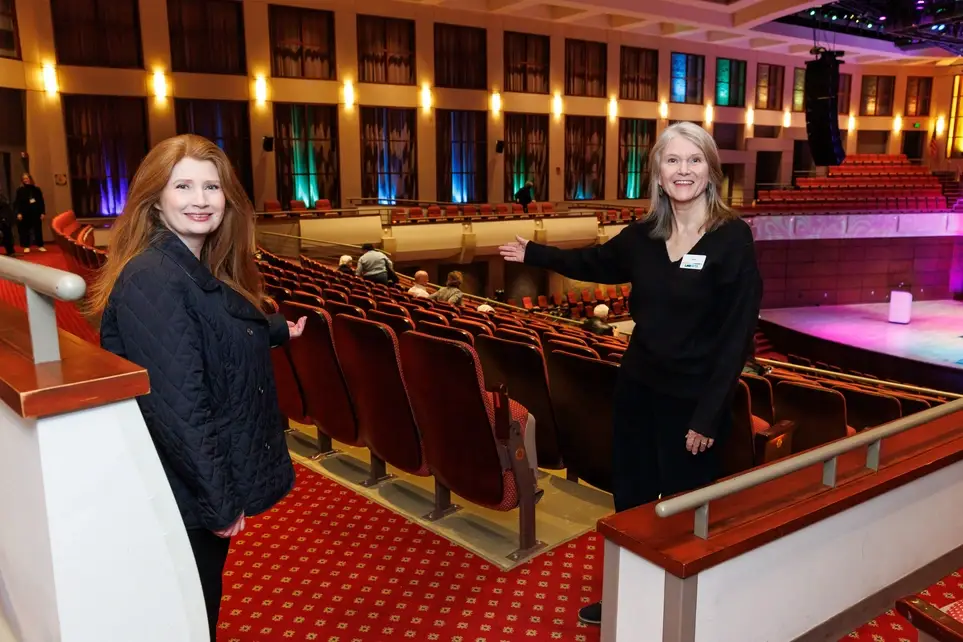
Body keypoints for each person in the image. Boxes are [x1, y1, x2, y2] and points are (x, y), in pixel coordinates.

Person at [499, 122, 762, 626]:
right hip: (638, 390)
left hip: (694, 406)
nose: (682, 170)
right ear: (658, 175)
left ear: (710, 170)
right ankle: (628, 594)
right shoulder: (644, 236)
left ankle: (682, 611)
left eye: (694, 160)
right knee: (632, 503)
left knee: (684, 514)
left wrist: (707, 417)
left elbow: (736, 339)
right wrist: (534, 252)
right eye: (672, 161)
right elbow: (594, 261)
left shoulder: (733, 240)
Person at [90, 134, 307, 640]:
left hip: (192, 485)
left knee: (197, 604)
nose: (200, 199)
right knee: (191, 614)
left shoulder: (190, 264)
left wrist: (275, 329)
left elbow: (216, 321)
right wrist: (217, 501)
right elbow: (178, 406)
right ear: (155, 197)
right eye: (183, 185)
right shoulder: (154, 277)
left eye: (211, 186)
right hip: (185, 493)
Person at [14, 173, 46, 253]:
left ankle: (40, 245)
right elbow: (17, 203)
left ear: (30, 179)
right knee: (25, 230)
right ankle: (26, 246)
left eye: (27, 178)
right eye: (24, 179)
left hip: (36, 212)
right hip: (25, 213)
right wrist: (18, 213)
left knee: (38, 229)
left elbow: (41, 202)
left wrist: (42, 213)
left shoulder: (36, 189)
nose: (26, 180)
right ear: (22, 180)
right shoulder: (20, 190)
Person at [0, 190, 14, 256]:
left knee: (8, 235)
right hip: (2, 218)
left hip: (6, 218)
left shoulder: (2, 195)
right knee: (6, 235)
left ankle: (10, 251)